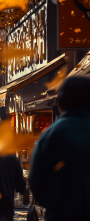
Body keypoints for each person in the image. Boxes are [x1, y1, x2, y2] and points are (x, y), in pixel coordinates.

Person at [29, 76, 90, 221]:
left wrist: (53, 203)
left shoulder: (50, 134)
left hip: (61, 214)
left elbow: (36, 179)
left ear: (61, 102)